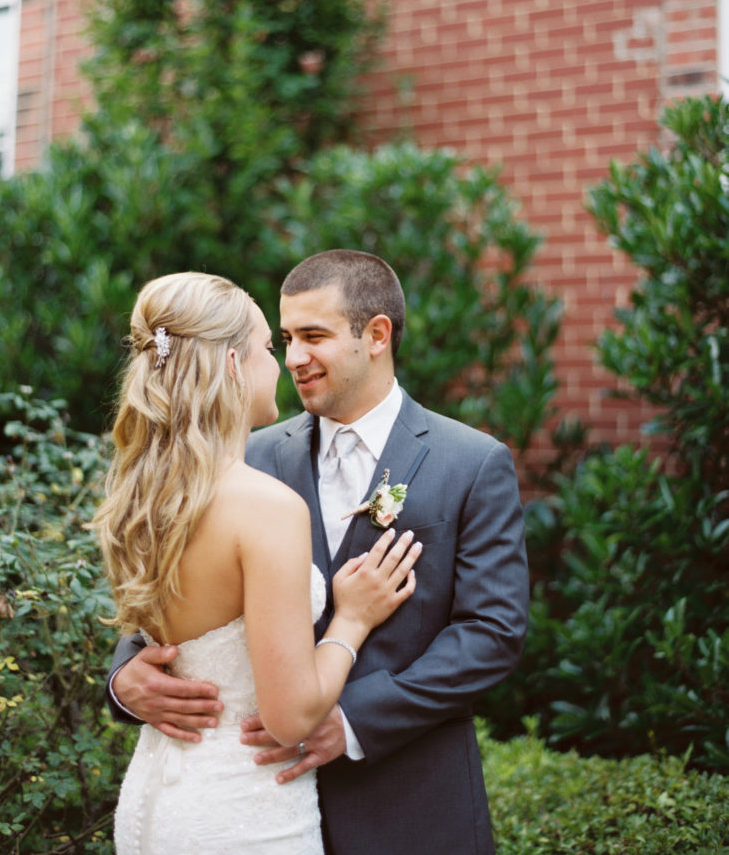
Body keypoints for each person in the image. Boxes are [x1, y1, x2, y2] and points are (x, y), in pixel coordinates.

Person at [108, 250, 529, 855]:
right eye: (283, 339)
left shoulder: (471, 462)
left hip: (408, 804)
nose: (294, 358)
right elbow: (177, 589)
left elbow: (492, 631)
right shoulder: (241, 454)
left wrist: (352, 721)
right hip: (250, 800)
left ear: (376, 335)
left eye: (314, 336)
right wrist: (127, 675)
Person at [93, 270, 422, 855]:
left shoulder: (142, 498)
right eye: (269, 347)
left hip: (154, 799)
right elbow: (291, 717)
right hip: (243, 813)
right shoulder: (266, 506)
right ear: (232, 365)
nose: (285, 363)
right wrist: (353, 618)